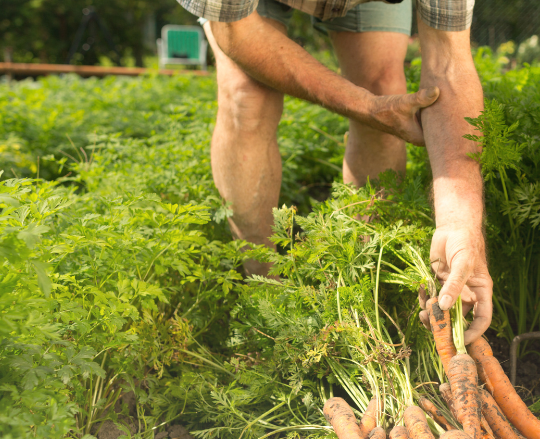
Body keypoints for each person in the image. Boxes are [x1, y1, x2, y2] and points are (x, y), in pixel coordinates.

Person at [180, 0, 493, 341]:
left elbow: (448, 65)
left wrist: (459, 224)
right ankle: (264, 293)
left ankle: (363, 287)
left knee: (384, 87)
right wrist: (366, 107)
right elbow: (237, 32)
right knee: (247, 94)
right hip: (242, 15)